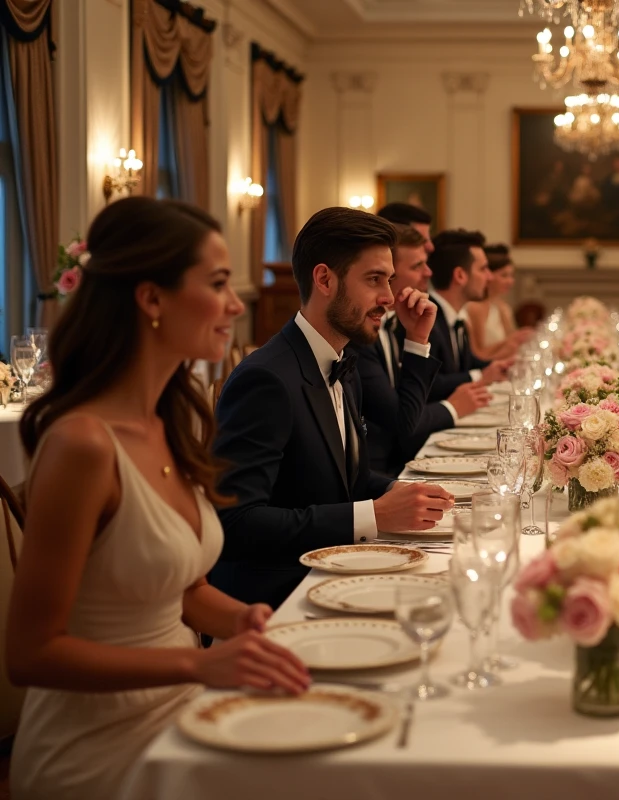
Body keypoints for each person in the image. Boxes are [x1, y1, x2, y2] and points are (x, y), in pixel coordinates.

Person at [7, 198, 311, 800]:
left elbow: (184, 590)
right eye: (219, 283)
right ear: (151, 299)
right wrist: (199, 665)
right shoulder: (82, 445)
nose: (234, 304)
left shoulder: (169, 421)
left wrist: (245, 621)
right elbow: (30, 653)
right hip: (97, 750)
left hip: (184, 713)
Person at [211, 208, 454, 609]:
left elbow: (347, 481)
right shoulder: (267, 379)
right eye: (374, 279)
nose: (389, 298)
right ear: (324, 279)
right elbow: (236, 522)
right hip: (278, 596)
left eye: (390, 281)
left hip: (339, 569)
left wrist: (401, 491)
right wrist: (373, 515)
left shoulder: (342, 359)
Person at [351, 224, 491, 476]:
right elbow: (403, 421)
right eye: (417, 266)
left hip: (395, 462)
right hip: (381, 470)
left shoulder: (395, 323)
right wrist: (453, 407)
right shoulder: (361, 338)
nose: (429, 272)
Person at [425, 229, 512, 401]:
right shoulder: (426, 319)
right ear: (460, 275)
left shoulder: (456, 317)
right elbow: (430, 384)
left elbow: (469, 363)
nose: (489, 277)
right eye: (483, 269)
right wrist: (479, 376)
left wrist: (499, 366)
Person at [465, 244, 533, 361]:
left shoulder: (498, 305)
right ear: (489, 275)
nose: (510, 281)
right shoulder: (476, 308)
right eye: (504, 275)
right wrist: (509, 342)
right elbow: (478, 354)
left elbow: (510, 338)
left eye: (511, 275)